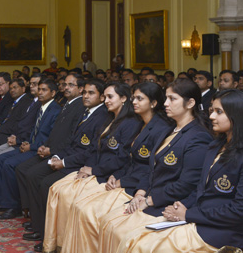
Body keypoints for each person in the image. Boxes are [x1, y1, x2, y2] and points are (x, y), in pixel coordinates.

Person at [44, 82, 171, 253]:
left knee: (87, 210)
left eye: (140, 99)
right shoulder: (141, 122)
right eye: (134, 98)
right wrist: (116, 175)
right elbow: (129, 159)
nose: (134, 102)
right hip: (123, 176)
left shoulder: (158, 128)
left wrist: (121, 180)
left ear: (154, 103)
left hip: (137, 184)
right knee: (70, 198)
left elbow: (148, 167)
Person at [116, 89, 243, 252]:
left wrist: (188, 214)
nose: (211, 117)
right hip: (199, 216)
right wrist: (180, 206)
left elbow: (238, 211)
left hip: (225, 230)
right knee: (134, 236)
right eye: (212, 111)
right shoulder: (215, 146)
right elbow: (200, 189)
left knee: (147, 246)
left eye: (219, 112)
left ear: (236, 115)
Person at [97, 78, 213, 253]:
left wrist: (149, 200)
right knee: (108, 222)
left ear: (190, 103)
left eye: (172, 99)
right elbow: (152, 168)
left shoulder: (198, 137)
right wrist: (141, 192)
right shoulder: (170, 129)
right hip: (151, 195)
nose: (165, 104)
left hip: (168, 203)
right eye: (166, 98)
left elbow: (186, 184)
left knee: (125, 233)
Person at [21, 79, 110, 247]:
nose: (86, 96)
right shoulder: (86, 111)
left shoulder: (101, 117)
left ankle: (48, 236)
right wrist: (58, 156)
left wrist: (63, 161)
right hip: (69, 156)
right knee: (32, 174)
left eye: (91, 93)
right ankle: (39, 226)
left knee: (46, 183)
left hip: (79, 163)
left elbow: (89, 151)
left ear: (102, 97)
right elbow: (71, 141)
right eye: (85, 93)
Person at [0, 79, 62, 219]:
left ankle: (14, 206)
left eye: (44, 90)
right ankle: (3, 201)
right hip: (31, 144)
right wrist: (25, 142)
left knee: (10, 163)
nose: (40, 92)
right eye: (39, 89)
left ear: (53, 93)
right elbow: (34, 131)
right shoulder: (42, 106)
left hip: (41, 149)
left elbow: (50, 137)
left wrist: (31, 146)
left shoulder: (55, 110)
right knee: (1, 158)